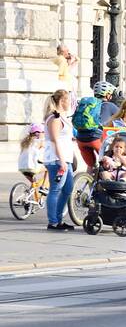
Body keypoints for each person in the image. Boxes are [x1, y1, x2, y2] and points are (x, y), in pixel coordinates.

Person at [42, 90, 75, 230]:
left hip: (65, 158)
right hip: (56, 159)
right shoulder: (54, 118)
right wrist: (61, 160)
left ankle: (59, 218)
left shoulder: (63, 117)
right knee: (55, 189)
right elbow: (55, 140)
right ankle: (53, 221)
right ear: (62, 100)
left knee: (68, 188)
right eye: (69, 100)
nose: (70, 103)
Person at [71, 80, 114, 170]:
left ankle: (90, 182)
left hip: (81, 138)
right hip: (96, 139)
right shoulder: (110, 105)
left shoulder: (88, 104)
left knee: (91, 166)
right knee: (111, 163)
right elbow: (124, 117)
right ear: (107, 95)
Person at [17, 124, 47, 194]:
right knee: (48, 168)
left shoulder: (25, 142)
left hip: (22, 168)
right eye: (43, 132)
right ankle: (43, 187)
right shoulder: (40, 142)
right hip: (32, 167)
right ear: (40, 133)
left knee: (34, 183)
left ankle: (27, 197)